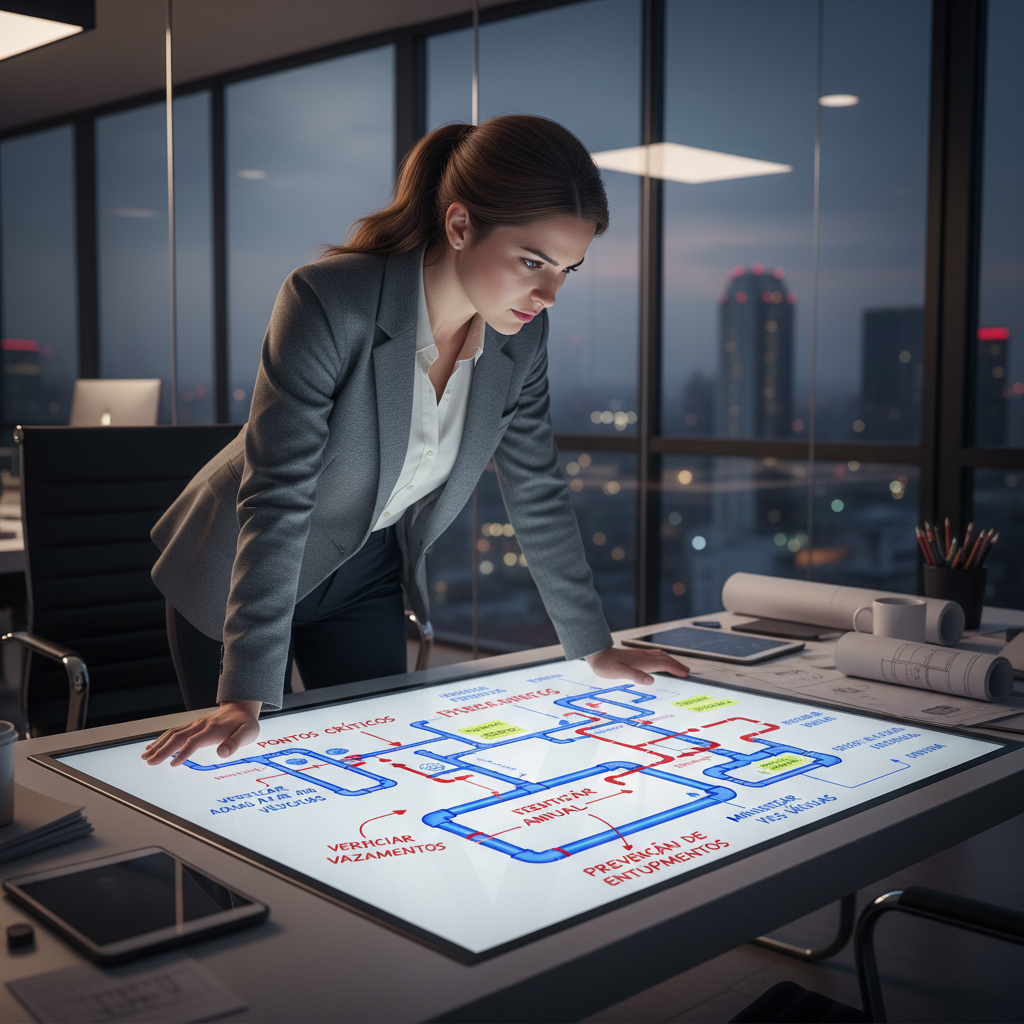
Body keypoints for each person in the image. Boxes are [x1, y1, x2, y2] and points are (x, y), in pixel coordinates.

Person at [143, 115, 688, 769]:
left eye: (568, 269)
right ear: (460, 226)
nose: (549, 294)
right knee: (231, 773)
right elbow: (279, 495)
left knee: (368, 761)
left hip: (366, 567)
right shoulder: (328, 300)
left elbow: (537, 489)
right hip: (238, 565)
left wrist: (593, 646)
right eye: (532, 262)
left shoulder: (521, 341)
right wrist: (246, 694)